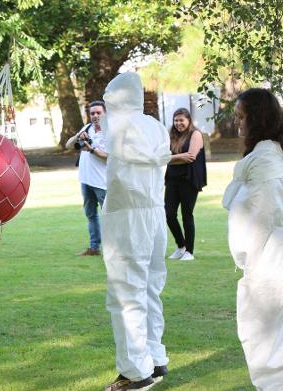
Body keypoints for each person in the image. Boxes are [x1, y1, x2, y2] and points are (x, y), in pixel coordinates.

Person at [100, 72, 171, 391]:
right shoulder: (154, 126)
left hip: (128, 215)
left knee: (127, 293)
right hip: (155, 214)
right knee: (150, 288)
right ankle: (155, 358)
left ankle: (135, 372)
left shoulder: (118, 123)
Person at [223, 88, 283, 390]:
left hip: (269, 262)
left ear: (256, 119)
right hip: (264, 261)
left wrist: (255, 264)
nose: (238, 124)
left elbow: (268, 211)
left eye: (241, 117)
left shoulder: (267, 159)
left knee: (266, 345)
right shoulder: (265, 154)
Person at [66, 101, 108, 256]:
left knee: (109, 217)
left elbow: (110, 158)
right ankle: (94, 248)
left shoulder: (110, 133)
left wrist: (92, 150)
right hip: (86, 180)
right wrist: (79, 135)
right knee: (91, 215)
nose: (95, 116)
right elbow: (68, 145)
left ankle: (114, 248)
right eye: (92, 113)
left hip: (102, 182)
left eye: (98, 113)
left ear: (105, 114)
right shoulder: (87, 128)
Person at [165, 108, 207, 261]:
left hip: (189, 179)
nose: (178, 123)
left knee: (186, 215)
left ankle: (189, 251)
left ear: (188, 120)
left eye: (181, 120)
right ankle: (181, 246)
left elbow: (190, 156)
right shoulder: (171, 135)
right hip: (172, 178)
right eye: (176, 120)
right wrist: (169, 157)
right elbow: (161, 152)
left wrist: (167, 158)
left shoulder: (195, 134)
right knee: (168, 214)